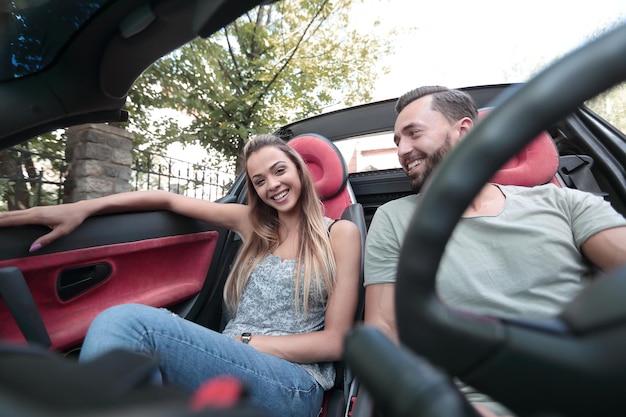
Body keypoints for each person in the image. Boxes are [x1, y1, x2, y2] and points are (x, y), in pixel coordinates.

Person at [0, 134, 361, 417]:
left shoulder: (339, 234)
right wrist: (83, 208)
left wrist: (247, 342)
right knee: (134, 361)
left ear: (299, 169)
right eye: (260, 180)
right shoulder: (252, 225)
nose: (272, 185)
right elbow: (168, 200)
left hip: (294, 384)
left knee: (131, 324)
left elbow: (336, 342)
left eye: (279, 170)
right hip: (234, 358)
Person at [363, 86, 626, 417]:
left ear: (465, 132)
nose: (402, 150)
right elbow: (382, 328)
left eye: (413, 133)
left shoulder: (563, 203)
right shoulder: (394, 218)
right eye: (397, 141)